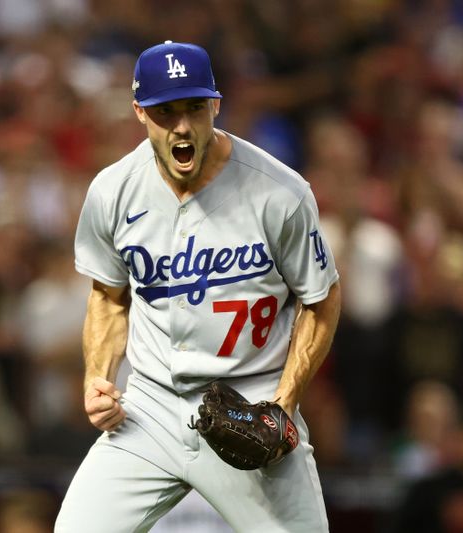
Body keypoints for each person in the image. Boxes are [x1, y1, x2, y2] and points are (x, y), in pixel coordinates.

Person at [55, 41, 341, 532]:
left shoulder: (279, 193)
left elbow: (321, 298)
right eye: (165, 112)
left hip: (250, 401)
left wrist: (284, 404)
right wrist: (97, 377)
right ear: (139, 112)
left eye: (193, 107)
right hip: (149, 409)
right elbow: (109, 294)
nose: (182, 126)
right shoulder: (112, 190)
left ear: (216, 105)